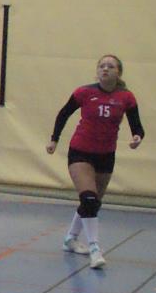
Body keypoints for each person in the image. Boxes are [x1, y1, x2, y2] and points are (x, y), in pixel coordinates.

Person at [46, 54, 144, 270]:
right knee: (89, 199)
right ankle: (94, 248)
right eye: (101, 66)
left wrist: (137, 137)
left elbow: (137, 125)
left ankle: (70, 239)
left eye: (110, 66)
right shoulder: (84, 92)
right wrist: (54, 140)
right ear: (97, 71)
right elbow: (63, 114)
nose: (105, 69)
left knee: (93, 203)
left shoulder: (126, 97)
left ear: (118, 72)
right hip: (80, 151)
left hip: (106, 155)